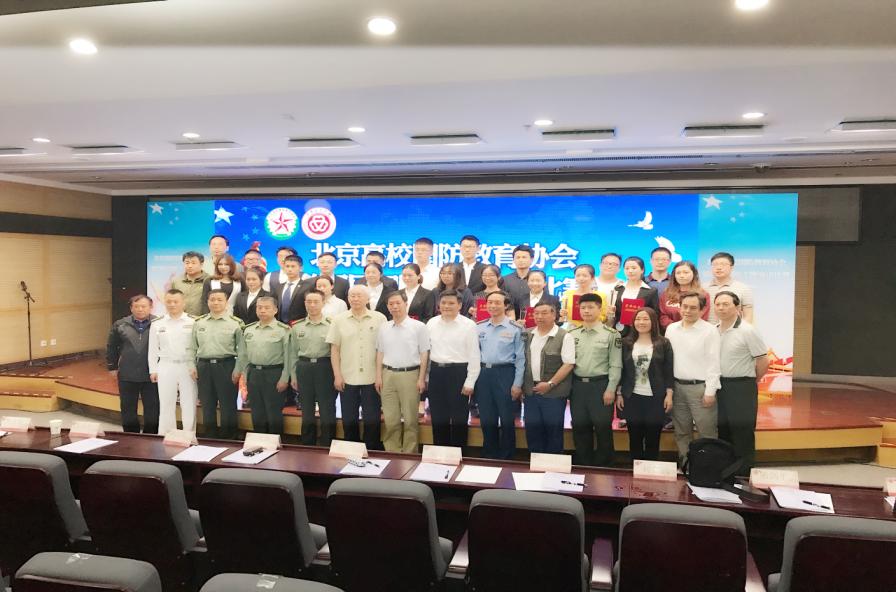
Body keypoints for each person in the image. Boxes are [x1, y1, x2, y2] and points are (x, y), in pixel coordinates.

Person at [327, 285, 387, 450]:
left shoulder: (380, 318)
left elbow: (383, 349)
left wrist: (379, 375)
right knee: (349, 418)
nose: (355, 299)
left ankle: (372, 450)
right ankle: (351, 450)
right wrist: (337, 375)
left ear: (367, 299)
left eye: (359, 295)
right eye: (352, 296)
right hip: (347, 376)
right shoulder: (339, 320)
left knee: (372, 418)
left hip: (372, 377)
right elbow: (334, 350)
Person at [715, 290, 768, 475]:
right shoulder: (714, 329)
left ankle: (744, 473)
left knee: (742, 430)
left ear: (737, 307)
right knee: (723, 430)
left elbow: (763, 361)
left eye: (726, 304)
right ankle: (726, 471)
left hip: (741, 386)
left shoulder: (747, 330)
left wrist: (752, 380)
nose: (721, 308)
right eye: (718, 304)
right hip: (720, 386)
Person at [665, 291, 721, 465]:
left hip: (700, 389)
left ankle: (708, 469)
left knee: (707, 433)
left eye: (693, 308)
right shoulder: (671, 329)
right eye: (685, 307)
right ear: (679, 307)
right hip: (677, 388)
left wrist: (710, 392)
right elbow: (667, 360)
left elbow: (714, 362)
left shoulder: (710, 331)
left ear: (702, 310)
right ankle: (686, 467)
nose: (688, 311)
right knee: (682, 432)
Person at [568, 293, 622, 466]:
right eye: (583, 307)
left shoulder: (611, 334)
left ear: (600, 309)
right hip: (578, 386)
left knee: (602, 427)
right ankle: (584, 465)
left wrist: (611, 389)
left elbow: (616, 364)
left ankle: (604, 467)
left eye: (591, 307)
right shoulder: (572, 334)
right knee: (579, 426)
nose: (586, 311)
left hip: (601, 385)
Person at [375, 291, 430, 453]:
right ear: (387, 307)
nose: (394, 306)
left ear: (406, 304)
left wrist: (421, 378)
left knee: (410, 419)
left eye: (398, 303)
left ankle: (409, 454)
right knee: (390, 419)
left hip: (410, 375)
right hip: (387, 374)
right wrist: (378, 376)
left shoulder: (419, 327)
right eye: (391, 304)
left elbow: (424, 354)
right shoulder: (384, 327)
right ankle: (392, 452)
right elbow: (380, 352)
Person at [616, 308, 674, 461]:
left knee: (653, 438)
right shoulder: (626, 343)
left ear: (653, 321)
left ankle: (650, 469)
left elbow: (668, 370)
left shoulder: (663, 343)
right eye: (638, 319)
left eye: (645, 319)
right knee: (634, 437)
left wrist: (669, 395)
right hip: (632, 397)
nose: (641, 322)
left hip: (656, 397)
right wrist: (619, 393)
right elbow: (622, 370)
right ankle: (635, 469)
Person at [426, 290, 480, 449]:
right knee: (438, 417)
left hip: (458, 373)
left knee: (459, 418)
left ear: (460, 305)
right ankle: (439, 453)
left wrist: (470, 382)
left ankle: (458, 454)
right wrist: (426, 377)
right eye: (443, 303)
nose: (446, 306)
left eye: (451, 303)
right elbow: (427, 352)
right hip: (436, 372)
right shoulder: (432, 323)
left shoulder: (469, 325)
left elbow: (474, 355)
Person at [475, 290, 525, 459]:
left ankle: (507, 456)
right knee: (486, 417)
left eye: (497, 302)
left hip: (505, 373)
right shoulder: (479, 327)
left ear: (506, 305)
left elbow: (521, 358)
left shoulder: (516, 328)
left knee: (506, 417)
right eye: (490, 302)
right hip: (483, 374)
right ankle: (489, 453)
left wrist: (517, 384)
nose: (493, 306)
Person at [189, 289, 244, 439]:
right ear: (207, 302)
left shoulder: (236, 323)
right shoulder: (199, 323)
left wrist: (238, 369)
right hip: (204, 366)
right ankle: (210, 436)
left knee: (228, 404)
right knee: (207, 403)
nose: (216, 302)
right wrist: (192, 366)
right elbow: (192, 347)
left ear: (226, 303)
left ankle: (229, 436)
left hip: (226, 365)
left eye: (220, 300)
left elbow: (242, 350)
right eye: (212, 299)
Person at [521, 301, 575, 454]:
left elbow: (568, 364)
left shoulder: (564, 336)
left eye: (544, 313)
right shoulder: (527, 334)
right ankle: (536, 464)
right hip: (531, 391)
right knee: (533, 431)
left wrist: (550, 384)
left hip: (553, 393)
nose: (539, 316)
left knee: (553, 432)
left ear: (554, 314)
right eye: (536, 313)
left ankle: (553, 465)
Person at [234, 296, 291, 435]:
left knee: (273, 412)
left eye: (267, 308)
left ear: (275, 310)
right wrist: (245, 375)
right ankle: (259, 442)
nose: (262, 310)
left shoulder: (284, 330)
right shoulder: (249, 330)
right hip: (254, 374)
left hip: (274, 374)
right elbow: (244, 355)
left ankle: (275, 442)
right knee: (257, 411)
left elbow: (289, 357)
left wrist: (285, 378)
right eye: (259, 308)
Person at [289, 290, 337, 446]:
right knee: (306, 409)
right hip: (304, 368)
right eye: (309, 302)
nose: (312, 305)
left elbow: (337, 352)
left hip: (325, 367)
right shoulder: (297, 326)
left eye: (316, 302)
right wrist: (293, 375)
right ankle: (307, 444)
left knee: (327, 408)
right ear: (304, 304)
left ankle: (328, 443)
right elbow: (293, 353)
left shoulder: (332, 325)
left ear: (323, 303)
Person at [107, 294, 159, 434]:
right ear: (131, 308)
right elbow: (112, 346)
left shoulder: (159, 324)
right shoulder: (120, 324)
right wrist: (112, 367)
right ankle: (131, 435)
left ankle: (151, 436)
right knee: (127, 407)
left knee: (153, 408)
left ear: (151, 307)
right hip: (127, 373)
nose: (140, 309)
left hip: (152, 374)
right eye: (136, 306)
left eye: (143, 306)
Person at [148, 289, 197, 435]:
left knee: (188, 403)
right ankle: (166, 435)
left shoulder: (193, 322)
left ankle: (189, 435)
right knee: (166, 403)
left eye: (176, 301)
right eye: (169, 301)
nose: (172, 304)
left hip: (187, 366)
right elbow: (152, 349)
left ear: (183, 303)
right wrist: (153, 370)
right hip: (166, 365)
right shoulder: (157, 323)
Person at [608, 256, 659, 334]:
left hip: (640, 332)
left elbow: (655, 314)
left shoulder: (650, 291)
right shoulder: (618, 289)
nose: (630, 271)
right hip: (618, 330)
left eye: (634, 268)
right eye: (627, 268)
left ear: (642, 270)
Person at [659, 261, 709, 331]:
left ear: (694, 274)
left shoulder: (703, 294)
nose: (682, 276)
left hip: (694, 332)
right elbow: (663, 316)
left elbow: (703, 317)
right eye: (678, 273)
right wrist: (676, 328)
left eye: (686, 272)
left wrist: (686, 328)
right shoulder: (666, 294)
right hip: (671, 331)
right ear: (674, 275)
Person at [706, 252, 755, 323]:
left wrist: (743, 329)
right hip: (707, 329)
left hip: (733, 329)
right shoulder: (703, 288)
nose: (718, 268)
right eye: (715, 264)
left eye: (723, 264)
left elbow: (748, 316)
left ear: (731, 267)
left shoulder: (743, 288)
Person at [270, 254, 314, 323]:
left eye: (293, 266)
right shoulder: (278, 287)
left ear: (301, 268)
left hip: (300, 324)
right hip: (280, 325)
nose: (290, 269)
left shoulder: (307, 286)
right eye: (287, 266)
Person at [560, 264, 607, 328]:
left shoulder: (600, 296)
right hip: (572, 328)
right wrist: (562, 314)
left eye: (585, 276)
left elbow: (604, 317)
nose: (581, 278)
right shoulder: (567, 294)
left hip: (592, 329)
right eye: (578, 276)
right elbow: (563, 316)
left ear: (592, 278)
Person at [170, 251, 208, 317]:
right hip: (181, 319)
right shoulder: (176, 281)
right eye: (187, 263)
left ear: (201, 264)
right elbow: (172, 301)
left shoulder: (209, 280)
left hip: (203, 319)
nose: (190, 266)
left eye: (193, 263)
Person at [502, 244, 534, 315]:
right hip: (509, 319)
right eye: (518, 257)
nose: (521, 260)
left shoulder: (538, 280)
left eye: (524, 257)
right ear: (513, 260)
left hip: (533, 318)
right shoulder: (505, 280)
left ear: (531, 260)